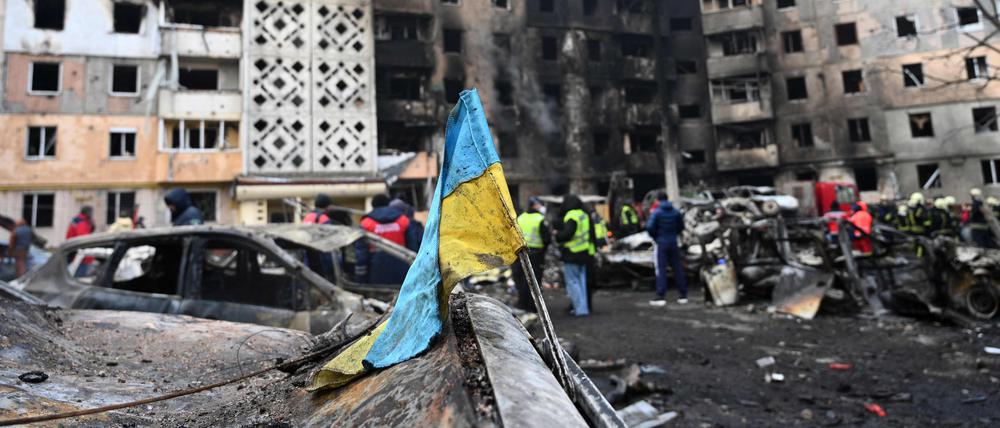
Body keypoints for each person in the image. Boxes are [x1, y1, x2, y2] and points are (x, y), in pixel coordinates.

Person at [355, 194, 422, 284]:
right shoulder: (403, 221)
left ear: (373, 206)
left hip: (376, 274)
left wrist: (360, 280)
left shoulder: (365, 224)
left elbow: (361, 255)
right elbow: (412, 248)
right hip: (402, 273)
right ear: (388, 204)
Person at [554, 193, 592, 316]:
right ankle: (584, 309)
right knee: (581, 282)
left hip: (572, 254)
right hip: (584, 252)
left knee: (573, 282)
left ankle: (579, 310)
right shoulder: (583, 214)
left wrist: (557, 235)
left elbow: (567, 234)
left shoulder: (571, 216)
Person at [646, 193, 687, 306]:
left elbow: (649, 227)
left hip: (661, 243)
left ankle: (660, 296)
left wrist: (656, 236)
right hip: (673, 242)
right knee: (677, 268)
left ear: (658, 200)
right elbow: (681, 226)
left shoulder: (657, 212)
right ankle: (683, 295)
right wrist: (674, 234)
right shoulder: (675, 212)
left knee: (661, 269)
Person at [513, 197, 550, 312]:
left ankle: (522, 303)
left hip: (521, 253)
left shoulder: (521, 217)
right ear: (535, 205)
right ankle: (533, 306)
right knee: (534, 280)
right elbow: (547, 239)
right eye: (540, 205)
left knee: (522, 278)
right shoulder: (540, 219)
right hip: (536, 254)